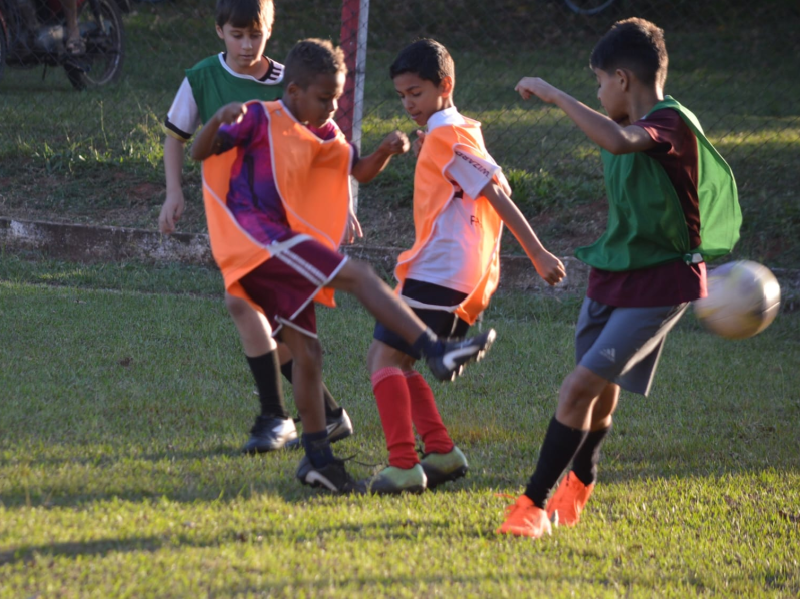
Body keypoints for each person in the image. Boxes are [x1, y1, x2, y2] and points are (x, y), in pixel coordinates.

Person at [191, 38, 498, 492]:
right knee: (358, 275)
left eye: (337, 98)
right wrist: (217, 120)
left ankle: (318, 460)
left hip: (282, 251)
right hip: (260, 242)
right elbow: (200, 153)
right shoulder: (259, 116)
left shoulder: (326, 134)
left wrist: (385, 153)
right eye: (324, 98)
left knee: (309, 356)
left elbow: (358, 170)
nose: (334, 107)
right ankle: (435, 349)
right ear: (293, 92)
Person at [497, 18, 741, 537]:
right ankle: (582, 478)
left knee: (579, 385)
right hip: (615, 273)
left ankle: (531, 506)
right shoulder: (638, 116)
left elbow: (618, 139)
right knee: (597, 384)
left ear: (623, 79)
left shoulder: (669, 124)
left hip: (661, 284)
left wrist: (552, 93)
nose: (598, 91)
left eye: (599, 81)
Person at [358, 39, 566, 495]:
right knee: (396, 361)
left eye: (415, 92)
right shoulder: (449, 132)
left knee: (384, 361)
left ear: (444, 86)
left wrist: (537, 253)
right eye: (402, 95)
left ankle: (404, 465)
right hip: (441, 272)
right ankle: (441, 453)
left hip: (441, 273)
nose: (408, 103)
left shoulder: (450, 135)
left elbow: (495, 194)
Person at [157, 0, 353, 455]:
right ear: (219, 31)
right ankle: (327, 416)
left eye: (256, 35)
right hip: (230, 216)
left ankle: (275, 416)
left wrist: (340, 203)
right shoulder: (201, 77)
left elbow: (328, 145)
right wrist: (173, 191)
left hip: (277, 217)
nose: (247, 45)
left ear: (270, 30)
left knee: (242, 300)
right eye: (237, 34)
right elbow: (176, 137)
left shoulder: (290, 81)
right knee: (268, 316)